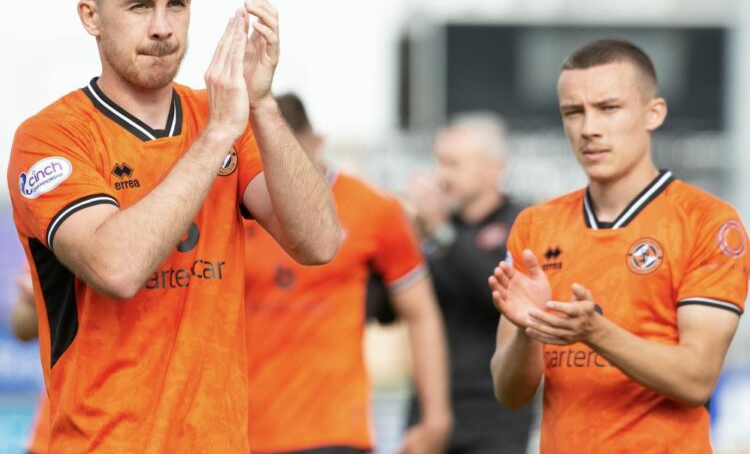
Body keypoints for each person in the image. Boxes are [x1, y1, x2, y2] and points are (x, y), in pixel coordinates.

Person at [6, 0, 340, 452]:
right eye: (139, 6)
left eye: (176, 4)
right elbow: (117, 267)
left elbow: (320, 242)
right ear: (91, 16)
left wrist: (261, 104)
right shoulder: (50, 138)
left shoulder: (229, 115)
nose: (162, 27)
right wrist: (216, 139)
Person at [489, 39, 749, 453]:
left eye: (608, 108)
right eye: (573, 112)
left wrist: (594, 331)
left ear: (653, 113)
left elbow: (696, 379)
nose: (589, 128)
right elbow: (510, 392)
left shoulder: (708, 221)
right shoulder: (535, 226)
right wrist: (527, 330)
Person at [244, 93, 452, 454]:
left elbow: (421, 314)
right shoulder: (238, 203)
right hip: (235, 430)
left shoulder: (374, 208)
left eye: (295, 156)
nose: (286, 173)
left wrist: (436, 418)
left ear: (318, 143)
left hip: (333, 430)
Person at [407, 113, 532, 453]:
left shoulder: (522, 224)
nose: (442, 176)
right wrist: (409, 242)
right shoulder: (431, 231)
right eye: (439, 163)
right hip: (428, 408)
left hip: (493, 415)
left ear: (494, 168)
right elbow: (386, 310)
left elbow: (495, 291)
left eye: (453, 164)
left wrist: (441, 232)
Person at [9, 270, 49, 454]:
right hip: (55, 433)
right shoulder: (61, 242)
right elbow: (21, 327)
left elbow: (122, 285)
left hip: (141, 433)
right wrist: (48, 297)